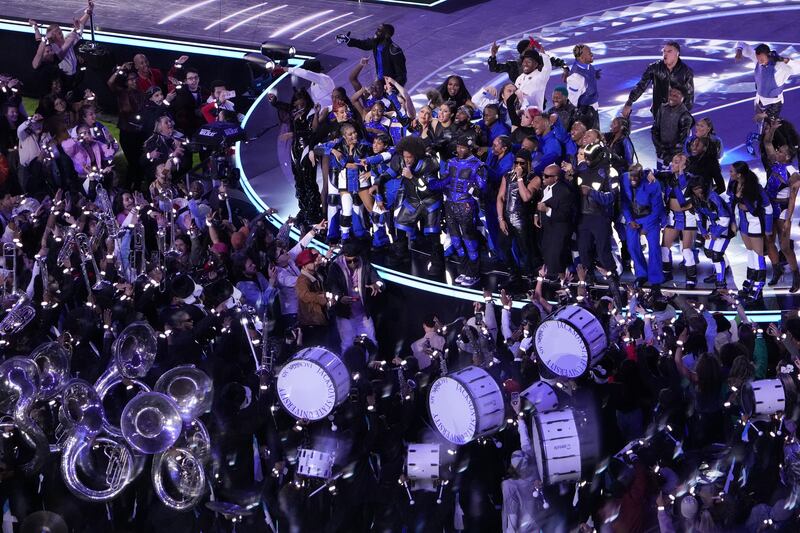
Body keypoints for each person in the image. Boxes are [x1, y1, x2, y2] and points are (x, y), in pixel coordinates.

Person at [381, 136, 444, 275]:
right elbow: (388, 174)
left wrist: (412, 177)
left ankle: (437, 262)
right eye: (405, 157)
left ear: (416, 154)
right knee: (400, 223)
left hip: (430, 201)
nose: (407, 160)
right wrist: (377, 184)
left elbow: (429, 189)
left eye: (409, 157)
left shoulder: (429, 163)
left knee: (433, 233)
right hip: (412, 201)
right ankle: (401, 253)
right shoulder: (401, 160)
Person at [430, 135, 487, 286]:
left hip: (466, 206)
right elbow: (446, 180)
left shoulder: (478, 165)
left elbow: (483, 188)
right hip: (450, 205)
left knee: (469, 240)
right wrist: (432, 184)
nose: (460, 150)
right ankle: (463, 271)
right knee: (455, 240)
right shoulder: (451, 162)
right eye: (458, 146)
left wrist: (473, 190)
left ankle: (474, 273)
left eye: (464, 147)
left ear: (470, 148)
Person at [570, 142, 618, 282]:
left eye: (590, 157)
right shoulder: (581, 168)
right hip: (582, 217)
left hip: (600, 217)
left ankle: (613, 280)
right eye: (586, 157)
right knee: (583, 251)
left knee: (603, 252)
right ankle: (588, 282)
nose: (587, 160)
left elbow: (611, 197)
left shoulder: (610, 172)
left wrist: (591, 193)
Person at [326, 240, 384, 353]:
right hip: (345, 314)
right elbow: (331, 287)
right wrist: (340, 298)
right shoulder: (335, 267)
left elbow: (379, 280)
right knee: (347, 343)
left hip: (362, 313)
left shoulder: (365, 264)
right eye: (349, 261)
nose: (352, 263)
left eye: (355, 260)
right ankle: (350, 367)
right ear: (344, 257)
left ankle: (371, 366)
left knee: (371, 341)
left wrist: (377, 285)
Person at [763, 120, 800, 290]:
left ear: (787, 156)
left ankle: (795, 275)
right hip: (770, 208)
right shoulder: (775, 163)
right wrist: (771, 131)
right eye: (778, 150)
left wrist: (788, 220)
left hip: (783, 209)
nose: (776, 152)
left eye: (780, 151)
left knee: (784, 246)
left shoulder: (793, 175)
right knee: (769, 240)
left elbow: (792, 199)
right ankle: (777, 270)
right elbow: (767, 142)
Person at [729, 161, 773, 302]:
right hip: (744, 224)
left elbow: (768, 208)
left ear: (739, 174)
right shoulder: (735, 184)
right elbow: (733, 203)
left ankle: (759, 284)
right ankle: (751, 279)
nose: (730, 174)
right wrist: (734, 222)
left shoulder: (755, 187)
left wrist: (767, 229)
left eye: (732, 171)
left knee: (758, 254)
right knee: (750, 252)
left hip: (755, 223)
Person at [496, 149, 539, 290]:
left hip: (522, 219)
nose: (518, 166)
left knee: (526, 250)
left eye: (522, 163)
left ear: (528, 164)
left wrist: (520, 178)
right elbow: (500, 197)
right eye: (516, 163)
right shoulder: (507, 176)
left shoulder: (533, 178)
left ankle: (531, 277)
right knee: (503, 247)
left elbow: (526, 197)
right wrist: (501, 218)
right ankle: (514, 275)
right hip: (507, 217)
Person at [622, 41, 694, 118]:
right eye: (664, 51)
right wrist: (629, 102)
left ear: (677, 53)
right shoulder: (654, 68)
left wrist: (682, 115)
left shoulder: (686, 72)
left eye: (669, 51)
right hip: (659, 113)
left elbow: (689, 95)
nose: (665, 54)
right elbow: (641, 86)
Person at [620, 164, 665, 287]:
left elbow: (657, 208)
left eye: (636, 176)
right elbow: (624, 201)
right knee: (632, 245)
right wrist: (629, 220)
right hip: (633, 218)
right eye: (631, 176)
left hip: (651, 218)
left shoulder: (652, 184)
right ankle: (641, 274)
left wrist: (646, 226)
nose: (633, 179)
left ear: (642, 176)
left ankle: (655, 279)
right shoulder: (624, 178)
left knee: (654, 248)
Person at [660, 153, 697, 286]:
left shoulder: (691, 179)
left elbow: (683, 188)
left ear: (684, 165)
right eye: (673, 162)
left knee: (686, 250)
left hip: (688, 216)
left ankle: (691, 278)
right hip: (672, 216)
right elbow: (653, 173)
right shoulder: (668, 177)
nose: (672, 164)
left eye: (676, 162)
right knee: (664, 248)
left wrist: (681, 171)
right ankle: (666, 273)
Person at [691, 180, 735, 292]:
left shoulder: (713, 197)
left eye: (699, 188)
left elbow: (725, 218)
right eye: (695, 189)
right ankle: (720, 271)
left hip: (724, 228)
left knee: (717, 255)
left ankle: (721, 283)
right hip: (712, 227)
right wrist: (703, 231)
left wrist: (716, 233)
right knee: (708, 252)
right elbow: (698, 217)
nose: (698, 191)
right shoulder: (696, 200)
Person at [339, 23, 407, 86]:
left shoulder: (394, 51)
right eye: (377, 29)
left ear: (387, 35)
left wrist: (393, 88)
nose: (376, 32)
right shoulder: (376, 42)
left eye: (379, 31)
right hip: (379, 81)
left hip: (390, 85)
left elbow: (401, 75)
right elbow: (364, 44)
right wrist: (348, 40)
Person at [537, 164, 575, 277]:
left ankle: (562, 280)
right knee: (547, 251)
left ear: (556, 178)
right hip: (548, 227)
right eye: (543, 175)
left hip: (559, 229)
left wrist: (547, 210)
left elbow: (565, 215)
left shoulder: (565, 191)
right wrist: (536, 214)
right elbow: (540, 201)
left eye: (547, 176)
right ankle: (551, 276)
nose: (543, 177)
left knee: (557, 256)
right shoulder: (545, 187)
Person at [652, 87, 693, 168]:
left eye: (675, 96)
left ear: (682, 98)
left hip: (676, 158)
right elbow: (654, 130)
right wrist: (660, 148)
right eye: (670, 95)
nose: (671, 98)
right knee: (661, 177)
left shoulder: (686, 116)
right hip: (661, 155)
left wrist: (670, 156)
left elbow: (682, 141)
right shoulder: (662, 108)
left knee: (674, 179)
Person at [566, 44, 600, 130]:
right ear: (581, 58)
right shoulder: (576, 78)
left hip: (593, 110)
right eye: (589, 53)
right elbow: (572, 102)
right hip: (584, 117)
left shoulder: (589, 67)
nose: (592, 54)